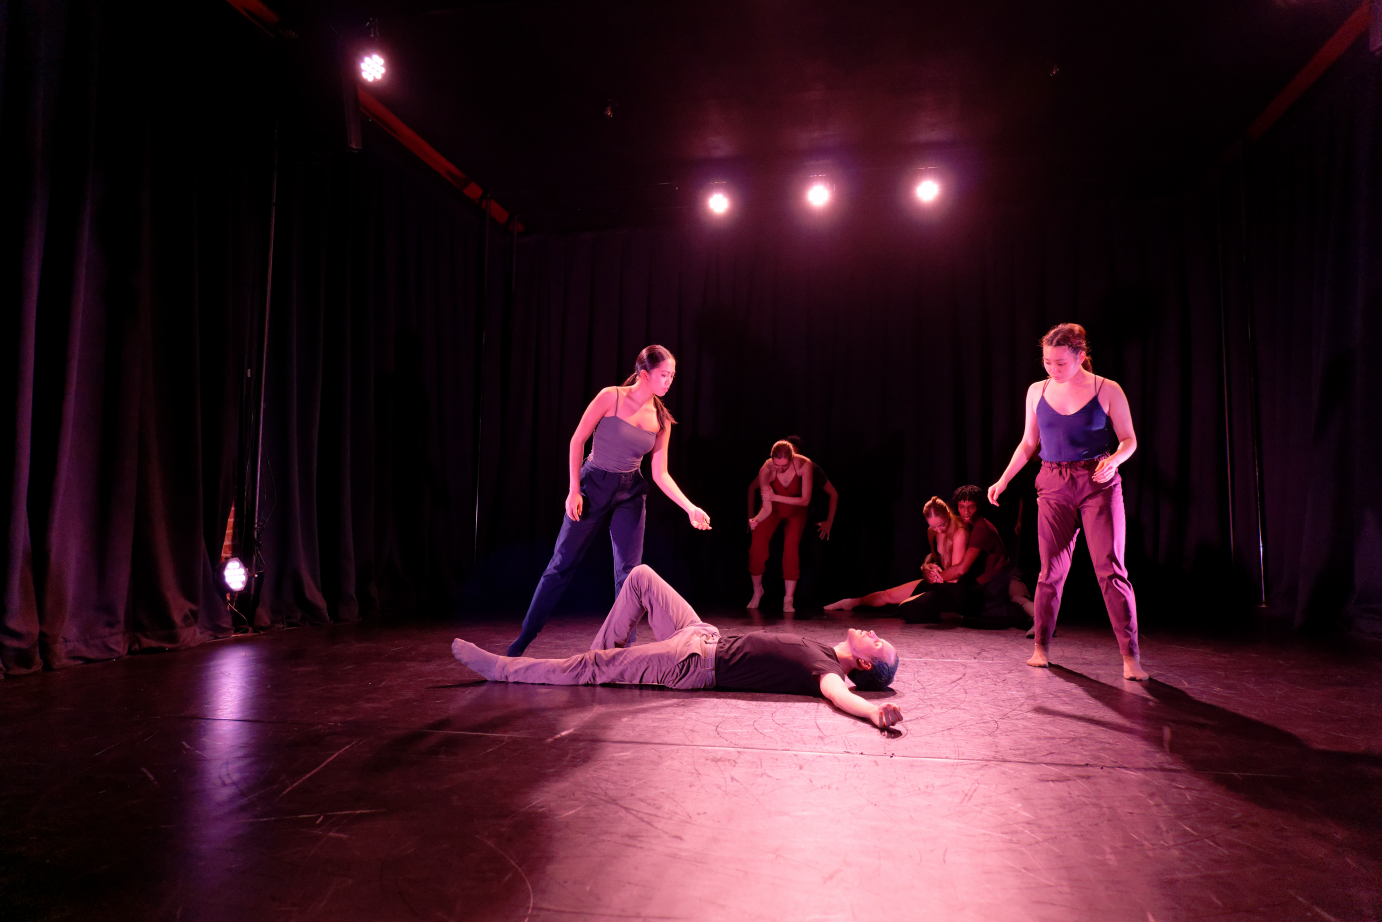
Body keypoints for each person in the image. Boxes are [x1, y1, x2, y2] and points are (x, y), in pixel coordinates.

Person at [453, 565, 903, 730]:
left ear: (863, 663)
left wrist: (873, 713)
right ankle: (601, 664)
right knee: (641, 577)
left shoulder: (828, 673)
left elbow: (840, 697)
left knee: (593, 664)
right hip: (703, 633)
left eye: (878, 645)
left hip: (692, 663)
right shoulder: (822, 649)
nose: (873, 634)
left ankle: (503, 669)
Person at [507, 346, 711, 657]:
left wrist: (690, 508)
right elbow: (578, 439)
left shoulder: (661, 419)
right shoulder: (611, 397)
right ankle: (525, 636)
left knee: (629, 574)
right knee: (561, 564)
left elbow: (660, 473)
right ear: (644, 374)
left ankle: (622, 651)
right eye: (664, 375)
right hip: (594, 484)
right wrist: (574, 489)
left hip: (630, 491)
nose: (669, 381)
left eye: (672, 376)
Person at [987, 323, 1148, 680]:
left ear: (1079, 356)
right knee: (1050, 572)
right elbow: (1029, 443)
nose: (1053, 369)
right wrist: (1004, 479)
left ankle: (1130, 656)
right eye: (1047, 361)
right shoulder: (1036, 391)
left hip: (1097, 481)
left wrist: (1115, 461)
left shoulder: (1107, 389)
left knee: (1110, 568)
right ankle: (1041, 647)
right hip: (1053, 482)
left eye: (1060, 362)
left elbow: (1129, 440)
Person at [824, 496, 977, 622]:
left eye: (942, 525)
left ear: (948, 515)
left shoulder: (959, 532)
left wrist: (932, 576)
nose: (939, 530)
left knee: (907, 607)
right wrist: (926, 566)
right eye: (934, 526)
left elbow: (955, 577)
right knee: (888, 594)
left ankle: (948, 614)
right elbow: (933, 558)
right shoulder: (932, 532)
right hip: (937, 580)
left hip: (952, 589)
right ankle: (851, 602)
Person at [950, 485, 1036, 629]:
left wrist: (936, 577)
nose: (966, 512)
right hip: (992, 583)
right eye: (961, 507)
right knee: (985, 610)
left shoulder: (981, 527)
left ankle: (1042, 624)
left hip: (1006, 577)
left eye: (971, 507)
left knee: (1018, 599)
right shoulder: (962, 524)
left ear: (979, 507)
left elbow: (961, 568)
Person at [746, 440, 813, 612]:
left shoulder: (804, 465)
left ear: (792, 459)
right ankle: (757, 591)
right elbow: (767, 507)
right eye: (777, 465)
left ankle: (788, 599)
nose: (780, 469)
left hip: (796, 511)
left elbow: (805, 501)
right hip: (773, 511)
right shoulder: (766, 470)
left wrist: (775, 497)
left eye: (784, 466)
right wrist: (756, 519)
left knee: (790, 550)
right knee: (757, 548)